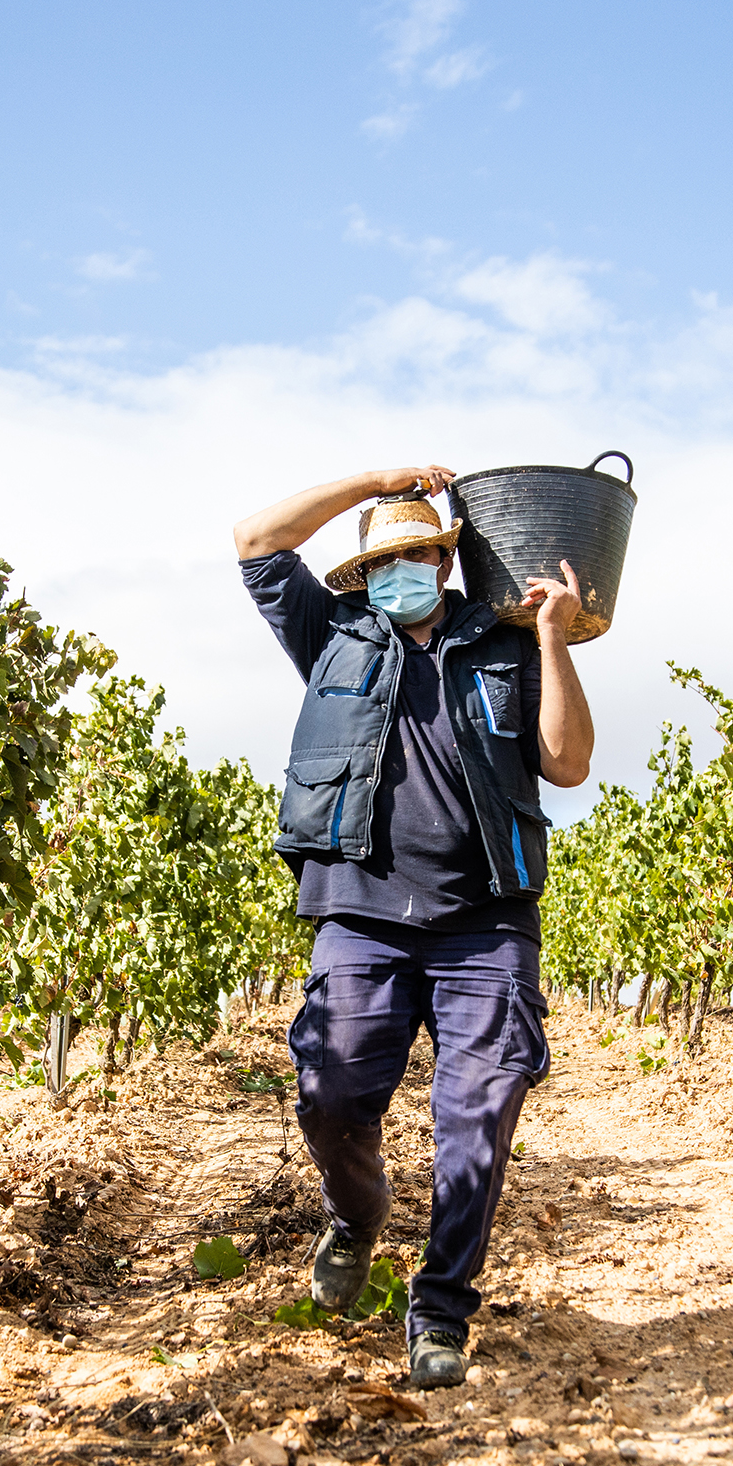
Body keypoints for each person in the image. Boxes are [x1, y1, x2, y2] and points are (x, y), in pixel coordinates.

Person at [233, 465, 594, 1390]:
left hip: (485, 920)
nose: (403, 569)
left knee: (480, 1113)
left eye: (418, 552)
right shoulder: (333, 635)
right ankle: (355, 1217)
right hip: (359, 915)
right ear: (371, 570)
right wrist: (377, 484)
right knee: (332, 1092)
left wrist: (553, 638)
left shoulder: (502, 641)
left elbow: (566, 761)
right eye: (384, 557)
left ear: (446, 558)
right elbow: (256, 539)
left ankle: (440, 1308)